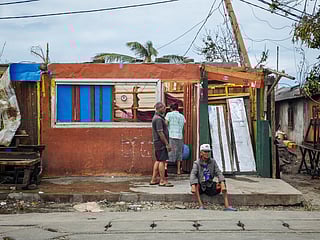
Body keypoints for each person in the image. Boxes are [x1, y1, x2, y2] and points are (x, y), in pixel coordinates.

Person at [190, 144, 237, 211]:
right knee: (195, 184)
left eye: (208, 152)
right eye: (205, 152)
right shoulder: (196, 163)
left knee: (221, 184)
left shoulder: (213, 162)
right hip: (201, 186)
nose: (207, 153)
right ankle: (201, 205)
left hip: (209, 185)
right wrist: (192, 185)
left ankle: (227, 206)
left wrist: (222, 182)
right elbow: (193, 174)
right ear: (201, 153)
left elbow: (218, 172)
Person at [150, 102, 174, 187]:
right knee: (162, 161)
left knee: (158, 160)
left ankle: (153, 179)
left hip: (158, 142)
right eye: (163, 108)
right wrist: (167, 144)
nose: (165, 109)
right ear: (159, 108)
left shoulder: (157, 118)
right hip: (161, 143)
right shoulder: (158, 119)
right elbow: (160, 132)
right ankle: (162, 180)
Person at [165, 102, 186, 175]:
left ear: (171, 108)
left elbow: (166, 124)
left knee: (168, 152)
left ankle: (165, 168)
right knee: (179, 153)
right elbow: (184, 126)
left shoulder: (168, 115)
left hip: (171, 136)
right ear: (177, 108)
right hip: (179, 136)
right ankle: (178, 170)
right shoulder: (182, 116)